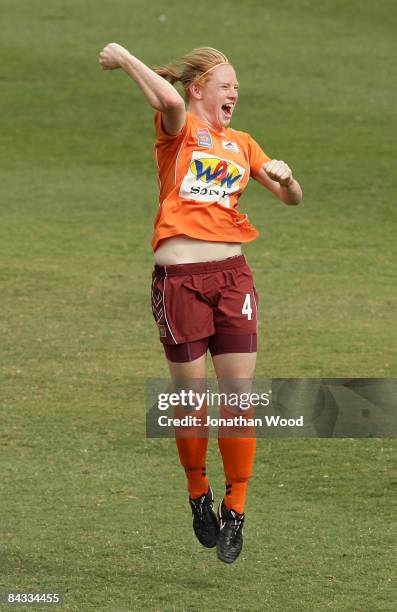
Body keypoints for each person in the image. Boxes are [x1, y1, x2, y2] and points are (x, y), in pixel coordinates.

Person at [99, 43, 302, 563]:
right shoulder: (178, 130)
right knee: (190, 399)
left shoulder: (243, 143)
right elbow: (165, 99)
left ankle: (237, 507)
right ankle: (198, 493)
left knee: (237, 397)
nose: (235, 92)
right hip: (180, 280)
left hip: (232, 276)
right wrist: (124, 57)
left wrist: (286, 178)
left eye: (237, 86)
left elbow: (290, 198)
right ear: (199, 90)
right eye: (226, 84)